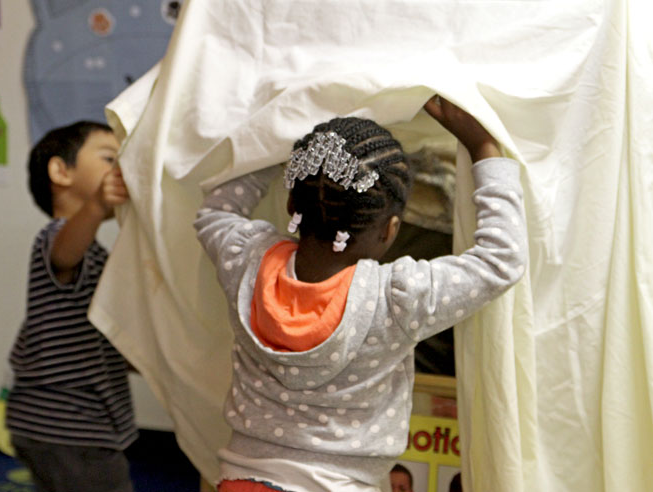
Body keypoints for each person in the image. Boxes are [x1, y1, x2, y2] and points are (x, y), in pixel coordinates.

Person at [194, 96, 527, 492]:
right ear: (390, 229)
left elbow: (214, 213)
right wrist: (484, 150)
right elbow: (500, 258)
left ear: (290, 204)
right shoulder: (398, 299)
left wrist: (278, 135)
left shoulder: (243, 258)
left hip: (241, 482)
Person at [6, 121, 137, 492]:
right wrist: (96, 204)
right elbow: (64, 253)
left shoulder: (93, 253)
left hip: (71, 425)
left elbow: (98, 331)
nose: (119, 168)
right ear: (61, 171)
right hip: (69, 425)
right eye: (109, 157)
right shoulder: (56, 240)